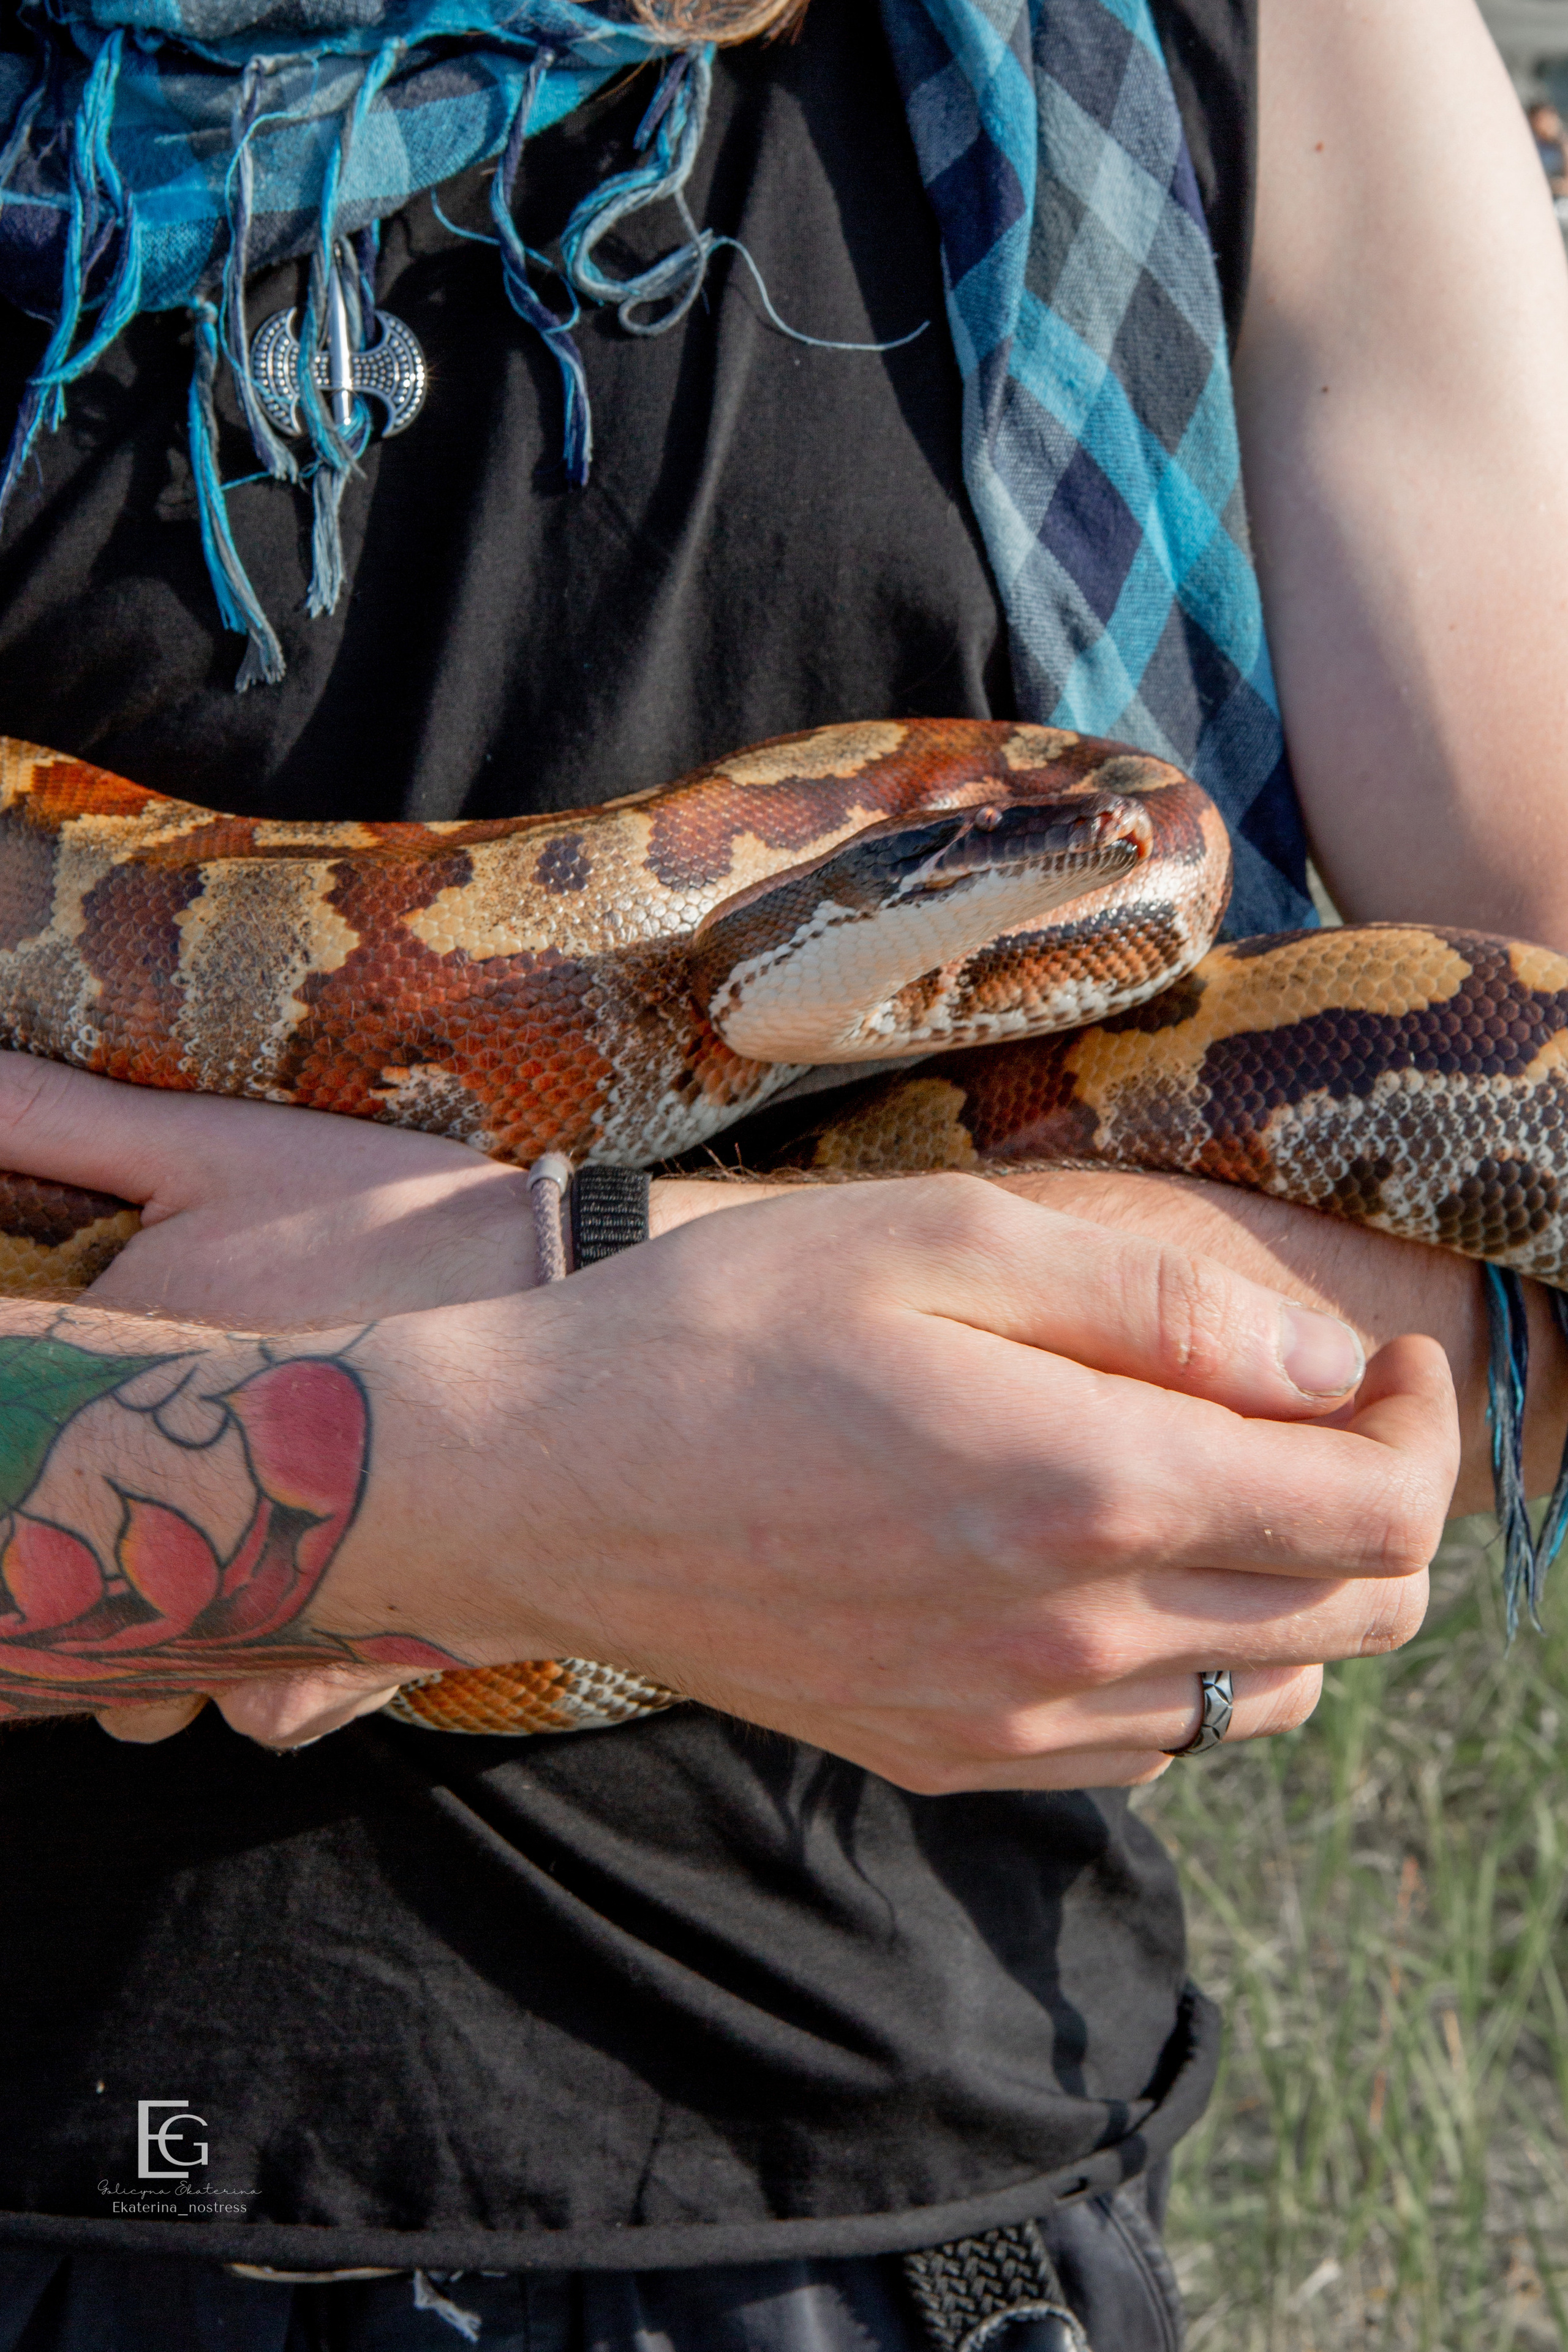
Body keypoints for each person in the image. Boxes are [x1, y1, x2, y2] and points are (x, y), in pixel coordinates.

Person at [0, 0, 1566, 2345]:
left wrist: (572, 1284)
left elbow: (1528, 1164)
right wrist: (479, 1463)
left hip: (889, 2218)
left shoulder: (1243, 42)